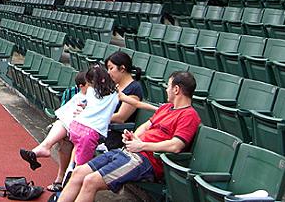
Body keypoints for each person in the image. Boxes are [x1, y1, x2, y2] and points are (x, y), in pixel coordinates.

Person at [57, 71, 201, 202]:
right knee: (78, 172)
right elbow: (146, 126)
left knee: (90, 181)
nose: (166, 89)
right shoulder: (165, 108)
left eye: (168, 86)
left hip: (146, 161)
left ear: (176, 89)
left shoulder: (189, 115)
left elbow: (176, 146)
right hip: (129, 152)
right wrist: (133, 137)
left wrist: (142, 145)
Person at [46, 53, 143, 193]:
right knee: (67, 135)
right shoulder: (113, 85)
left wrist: (92, 117)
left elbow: (121, 117)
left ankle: (69, 180)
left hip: (115, 133)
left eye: (111, 68)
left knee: (78, 135)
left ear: (122, 68)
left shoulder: (134, 88)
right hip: (99, 127)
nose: (109, 72)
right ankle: (63, 177)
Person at [19, 65, 119, 174]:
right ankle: (62, 170)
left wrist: (88, 113)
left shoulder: (113, 92)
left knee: (67, 134)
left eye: (111, 68)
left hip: (93, 131)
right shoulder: (102, 92)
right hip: (85, 128)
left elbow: (119, 117)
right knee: (65, 128)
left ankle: (60, 166)